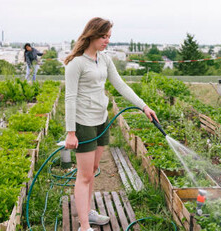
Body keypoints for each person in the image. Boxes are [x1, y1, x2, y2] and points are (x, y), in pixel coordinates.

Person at [64, 17, 158, 231]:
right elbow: (69, 98)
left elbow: (121, 85)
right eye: (104, 36)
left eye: (109, 37)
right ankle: (84, 226)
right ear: (92, 35)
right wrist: (71, 132)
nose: (107, 41)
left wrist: (143, 106)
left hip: (101, 120)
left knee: (94, 169)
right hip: (83, 123)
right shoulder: (76, 63)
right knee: (84, 175)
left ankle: (87, 212)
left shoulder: (104, 59)